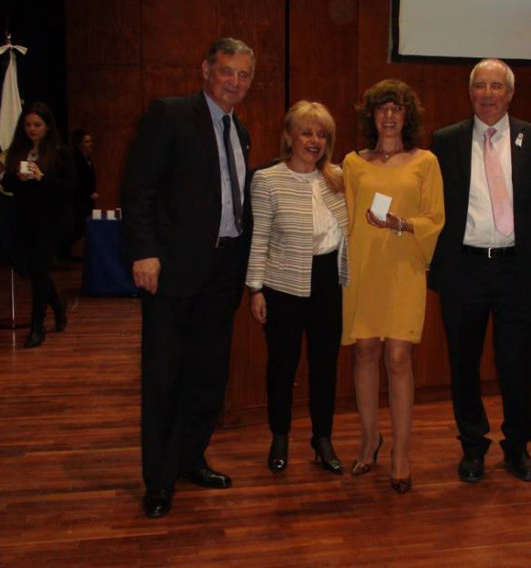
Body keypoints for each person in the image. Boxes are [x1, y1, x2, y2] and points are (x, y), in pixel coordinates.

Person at [121, 37, 255, 519]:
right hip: (173, 271)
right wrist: (145, 253)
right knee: (165, 376)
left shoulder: (240, 132)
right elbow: (138, 189)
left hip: (223, 271)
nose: (234, 82)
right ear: (205, 69)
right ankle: (158, 480)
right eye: (227, 71)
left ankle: (189, 458)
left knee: (206, 375)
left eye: (243, 75)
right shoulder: (170, 114)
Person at [430, 59, 531, 485]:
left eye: (496, 86)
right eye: (480, 86)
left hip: (518, 272)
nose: (488, 94)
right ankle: (472, 446)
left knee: (518, 363)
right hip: (464, 270)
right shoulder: (445, 140)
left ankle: (518, 446)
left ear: (510, 94)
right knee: (463, 363)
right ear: (470, 93)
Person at [342, 79, 445, 494]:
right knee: (365, 350)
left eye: (396, 109)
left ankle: (401, 453)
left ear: (407, 116)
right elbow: (343, 217)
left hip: (403, 268)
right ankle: (370, 440)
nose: (388, 115)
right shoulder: (351, 162)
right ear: (371, 116)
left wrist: (401, 223)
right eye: (382, 108)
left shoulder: (426, 161)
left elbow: (435, 218)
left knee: (398, 357)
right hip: (363, 268)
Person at [246, 101, 348, 476]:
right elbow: (259, 239)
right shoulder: (267, 180)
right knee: (282, 367)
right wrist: (255, 289)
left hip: (328, 283)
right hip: (282, 285)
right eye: (307, 132)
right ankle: (280, 436)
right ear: (289, 136)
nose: (315, 140)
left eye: (322, 134)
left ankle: (323, 439)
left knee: (325, 367)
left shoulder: (338, 177)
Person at [1, 101, 76, 348]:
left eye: (37, 125)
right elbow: (7, 185)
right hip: (25, 219)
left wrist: (41, 178)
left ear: (47, 126)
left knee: (40, 270)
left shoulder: (59, 151)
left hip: (50, 221)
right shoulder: (18, 150)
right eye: (28, 125)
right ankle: (58, 307)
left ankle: (37, 326)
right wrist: (19, 178)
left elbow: (70, 187)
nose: (32, 130)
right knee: (36, 270)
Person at [69, 129, 98, 250]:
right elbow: (77, 182)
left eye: (90, 141)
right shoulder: (75, 160)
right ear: (79, 144)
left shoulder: (89, 160)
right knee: (78, 228)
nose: (90, 144)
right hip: (79, 201)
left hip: (87, 201)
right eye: (86, 141)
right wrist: (87, 195)